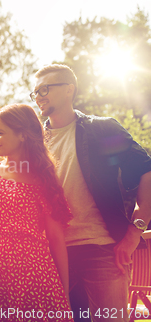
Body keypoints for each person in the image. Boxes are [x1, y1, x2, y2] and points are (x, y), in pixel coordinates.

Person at [32, 64, 151, 322]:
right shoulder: (35, 142)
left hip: (102, 250)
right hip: (51, 257)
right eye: (35, 92)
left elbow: (146, 169)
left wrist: (135, 231)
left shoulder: (102, 130)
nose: (39, 96)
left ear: (69, 90)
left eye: (44, 89)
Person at [0, 104, 73, 322]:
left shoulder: (43, 179)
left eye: (0, 133)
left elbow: (56, 238)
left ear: (22, 135)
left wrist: (64, 293)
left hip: (33, 275)